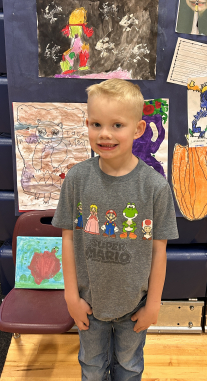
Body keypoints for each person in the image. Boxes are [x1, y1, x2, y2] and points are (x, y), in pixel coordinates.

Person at [52, 78, 179, 380]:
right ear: (86, 124)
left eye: (117, 125)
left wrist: (153, 304)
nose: (105, 134)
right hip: (89, 304)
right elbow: (68, 239)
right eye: (96, 124)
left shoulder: (155, 188)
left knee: (130, 367)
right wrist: (71, 296)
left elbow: (159, 250)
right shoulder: (77, 179)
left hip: (134, 306)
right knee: (92, 368)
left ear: (138, 130)